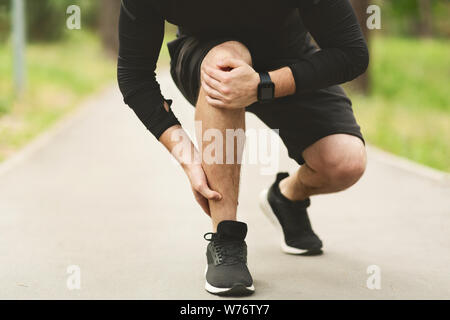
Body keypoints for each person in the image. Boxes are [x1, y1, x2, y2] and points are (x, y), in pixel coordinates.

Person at [117, 0, 369, 296]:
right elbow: (135, 76)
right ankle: (226, 237)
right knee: (226, 62)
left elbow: (351, 53)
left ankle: (286, 198)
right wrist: (188, 158)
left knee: (345, 162)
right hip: (204, 55)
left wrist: (264, 84)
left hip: (287, 58)